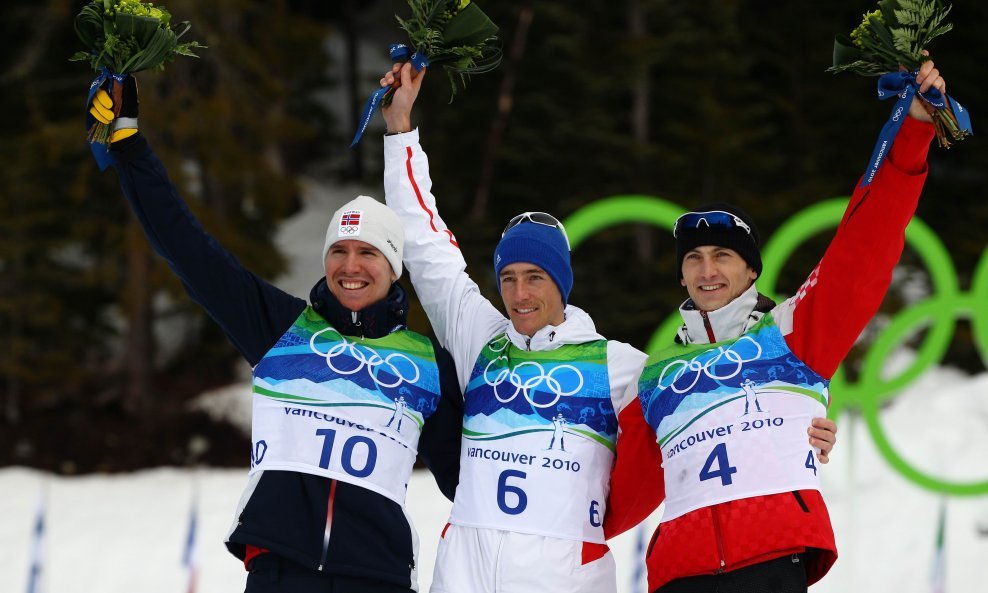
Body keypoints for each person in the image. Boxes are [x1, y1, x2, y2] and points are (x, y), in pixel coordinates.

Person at [378, 64, 837, 593]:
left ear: (563, 282)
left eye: (535, 277)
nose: (520, 294)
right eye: (508, 279)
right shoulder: (481, 338)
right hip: (466, 576)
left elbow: (717, 401)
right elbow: (427, 247)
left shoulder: (617, 366)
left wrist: (798, 424)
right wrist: (401, 132)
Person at [86, 75, 463, 593]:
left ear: (394, 266)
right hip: (279, 571)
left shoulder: (427, 363)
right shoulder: (282, 329)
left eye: (368, 252)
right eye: (339, 250)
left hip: (378, 576)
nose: (350, 266)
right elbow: (188, 250)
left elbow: (471, 478)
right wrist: (130, 146)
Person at [608, 58, 951, 593]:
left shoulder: (792, 333)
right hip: (681, 573)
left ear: (750, 269)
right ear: (680, 275)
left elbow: (865, 247)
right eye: (693, 258)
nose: (707, 270)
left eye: (723, 255)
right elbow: (611, 494)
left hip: (771, 559)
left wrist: (914, 130)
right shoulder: (655, 377)